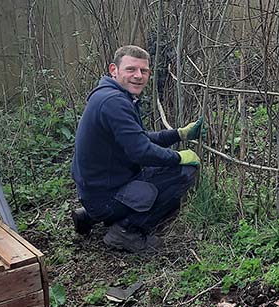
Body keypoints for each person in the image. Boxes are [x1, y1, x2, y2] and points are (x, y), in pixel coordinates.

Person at [71, 45, 205, 252]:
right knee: (184, 173)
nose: (138, 76)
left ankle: (91, 216)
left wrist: (178, 134)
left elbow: (137, 139)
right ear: (113, 70)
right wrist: (178, 157)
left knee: (157, 172)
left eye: (144, 71)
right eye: (131, 69)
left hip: (96, 190)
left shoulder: (110, 95)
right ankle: (125, 231)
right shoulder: (114, 102)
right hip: (104, 196)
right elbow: (141, 152)